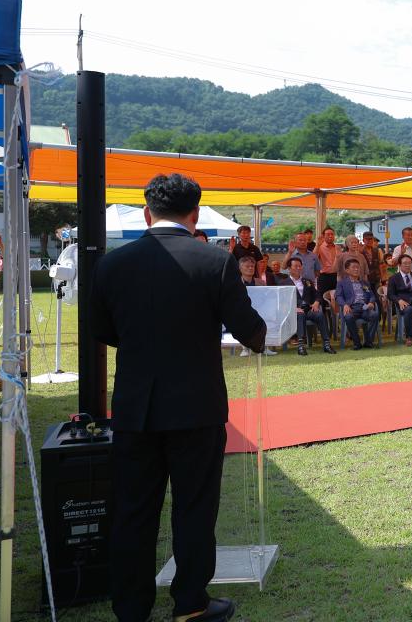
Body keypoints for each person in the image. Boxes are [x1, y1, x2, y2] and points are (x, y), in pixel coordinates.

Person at [92, 173, 266, 622]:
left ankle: (131, 609)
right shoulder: (214, 262)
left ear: (147, 213)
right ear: (195, 215)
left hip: (135, 406)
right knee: (194, 508)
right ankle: (190, 604)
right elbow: (250, 330)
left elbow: (103, 331)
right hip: (196, 406)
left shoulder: (112, 265)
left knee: (133, 512)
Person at [283, 257, 335, 355]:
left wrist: (316, 302)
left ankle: (327, 344)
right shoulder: (284, 283)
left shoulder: (307, 281)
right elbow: (281, 301)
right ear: (289, 268)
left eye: (300, 266)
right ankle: (301, 345)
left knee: (319, 314)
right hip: (293, 312)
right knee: (300, 315)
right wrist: (293, 308)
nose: (299, 268)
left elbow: (318, 294)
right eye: (296, 266)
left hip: (308, 309)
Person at [335, 259, 380, 350]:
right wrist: (344, 305)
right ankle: (357, 342)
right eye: (354, 267)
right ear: (347, 270)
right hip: (351, 308)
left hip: (364, 308)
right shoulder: (342, 283)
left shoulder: (364, 283)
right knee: (348, 317)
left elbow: (372, 295)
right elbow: (338, 296)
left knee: (374, 315)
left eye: (358, 267)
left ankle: (368, 342)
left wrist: (371, 302)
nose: (356, 269)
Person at [315, 226, 339, 295]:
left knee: (336, 297)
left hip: (336, 276)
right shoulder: (319, 247)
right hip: (324, 276)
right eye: (328, 234)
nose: (330, 236)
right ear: (323, 236)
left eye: (332, 234)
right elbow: (313, 258)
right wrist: (317, 245)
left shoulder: (337, 247)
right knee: (322, 299)